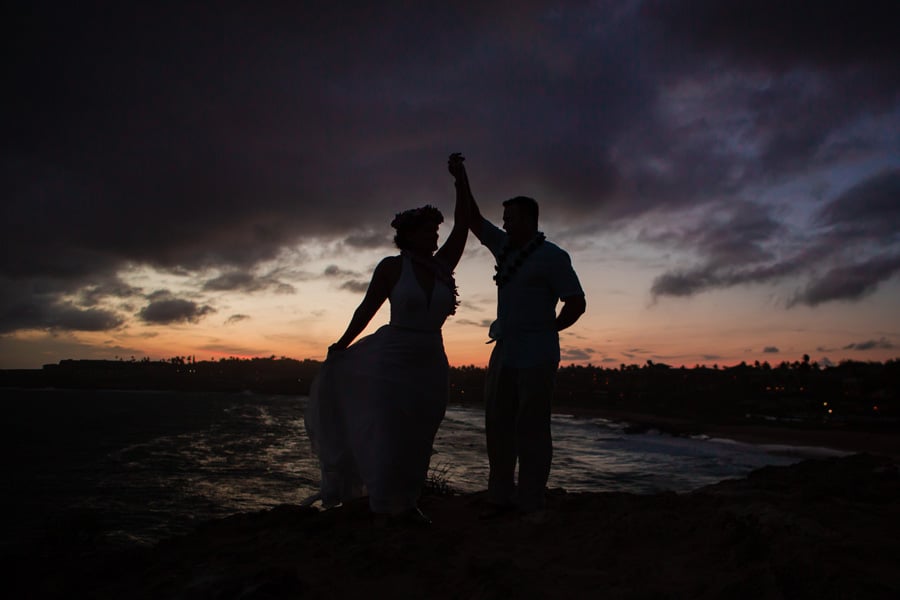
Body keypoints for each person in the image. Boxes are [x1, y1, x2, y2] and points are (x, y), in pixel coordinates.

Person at [305, 155, 469, 525]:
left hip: (431, 359)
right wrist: (342, 344)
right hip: (393, 357)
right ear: (408, 235)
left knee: (422, 432)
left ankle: (408, 502)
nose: (434, 236)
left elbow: (464, 223)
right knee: (390, 432)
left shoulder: (443, 267)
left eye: (434, 231)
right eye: (427, 231)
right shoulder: (392, 267)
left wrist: (461, 180)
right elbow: (366, 310)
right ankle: (382, 503)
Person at [454, 156, 586, 518]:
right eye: (504, 219)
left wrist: (551, 330)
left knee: (532, 426)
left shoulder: (553, 257)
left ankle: (531, 498)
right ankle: (499, 494)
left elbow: (576, 301)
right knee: (497, 422)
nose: (505, 223)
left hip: (537, 353)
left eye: (510, 218)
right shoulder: (506, 248)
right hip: (505, 350)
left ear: (528, 220)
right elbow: (473, 220)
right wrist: (461, 178)